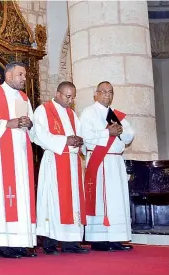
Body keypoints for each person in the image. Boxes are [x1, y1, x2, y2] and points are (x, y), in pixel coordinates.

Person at [0, 61, 37, 258]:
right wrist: (8, 123)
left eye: (25, 75)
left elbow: (32, 124)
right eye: (20, 74)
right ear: (9, 76)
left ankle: (21, 242)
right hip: (2, 154)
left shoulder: (23, 97)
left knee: (21, 197)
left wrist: (29, 123)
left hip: (21, 154)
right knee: (6, 197)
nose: (24, 78)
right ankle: (4, 244)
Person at [32, 81, 90, 255]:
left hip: (72, 162)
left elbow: (81, 134)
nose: (70, 100)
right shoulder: (44, 110)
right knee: (53, 201)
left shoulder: (72, 114)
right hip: (54, 160)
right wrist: (65, 140)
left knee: (73, 202)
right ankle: (50, 243)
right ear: (58, 94)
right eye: (67, 96)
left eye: (73, 97)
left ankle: (71, 243)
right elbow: (38, 134)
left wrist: (80, 141)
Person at [79, 81, 135, 252]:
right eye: (103, 91)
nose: (107, 95)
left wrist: (121, 131)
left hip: (115, 163)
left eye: (110, 92)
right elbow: (85, 137)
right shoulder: (88, 113)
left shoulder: (115, 114)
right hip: (99, 162)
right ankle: (99, 240)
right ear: (96, 94)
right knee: (100, 200)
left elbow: (129, 135)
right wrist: (107, 133)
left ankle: (116, 237)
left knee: (116, 200)